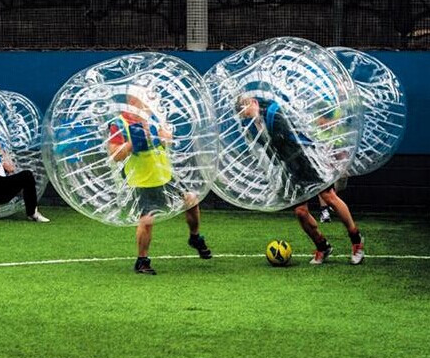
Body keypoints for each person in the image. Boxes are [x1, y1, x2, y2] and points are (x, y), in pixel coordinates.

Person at [237, 96, 364, 265]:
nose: (245, 117)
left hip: (305, 158)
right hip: (288, 165)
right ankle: (322, 246)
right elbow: (267, 149)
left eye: (245, 112)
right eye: (243, 116)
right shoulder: (252, 126)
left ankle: (356, 240)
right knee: (300, 212)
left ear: (253, 102)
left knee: (329, 197)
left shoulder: (274, 112)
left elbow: (284, 137)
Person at [108, 95, 212, 275]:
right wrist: (132, 144)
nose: (148, 104)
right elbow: (114, 155)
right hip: (140, 180)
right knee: (147, 219)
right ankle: (142, 260)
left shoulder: (153, 118)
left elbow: (168, 138)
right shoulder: (118, 124)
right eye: (143, 100)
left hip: (164, 175)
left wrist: (158, 133)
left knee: (192, 200)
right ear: (132, 102)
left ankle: (194, 237)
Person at [0, 132, 50, 223]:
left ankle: (32, 213)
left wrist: (2, 152)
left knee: (27, 174)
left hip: (5, 187)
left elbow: (11, 169)